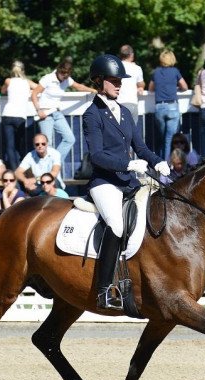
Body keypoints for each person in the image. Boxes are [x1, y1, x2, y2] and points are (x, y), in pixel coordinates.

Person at [84, 53, 168, 309]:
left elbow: (140, 147)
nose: (119, 84)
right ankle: (103, 289)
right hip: (105, 182)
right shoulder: (92, 115)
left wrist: (157, 161)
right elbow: (96, 156)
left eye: (120, 80)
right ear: (99, 81)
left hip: (128, 181)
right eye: (114, 80)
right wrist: (127, 164)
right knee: (117, 226)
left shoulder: (125, 112)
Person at [31, 58, 96, 163]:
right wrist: (38, 110)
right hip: (45, 114)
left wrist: (93, 90)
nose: (64, 76)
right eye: (63, 73)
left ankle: (55, 163)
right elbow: (34, 94)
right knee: (48, 143)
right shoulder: (48, 78)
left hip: (57, 113)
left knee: (70, 139)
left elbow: (79, 86)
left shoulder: (67, 80)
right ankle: (48, 170)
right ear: (58, 70)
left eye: (67, 74)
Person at [148, 50, 188, 159]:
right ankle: (167, 164)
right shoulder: (175, 71)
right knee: (169, 138)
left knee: (162, 138)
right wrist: (176, 87)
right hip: (172, 106)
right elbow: (185, 87)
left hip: (159, 107)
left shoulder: (156, 72)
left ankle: (161, 161)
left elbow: (150, 89)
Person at [0, 60, 38, 171]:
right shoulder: (27, 82)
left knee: (10, 146)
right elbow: (40, 88)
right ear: (23, 70)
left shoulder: (8, 81)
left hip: (8, 114)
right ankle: (22, 168)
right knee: (19, 145)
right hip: (21, 116)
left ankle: (14, 170)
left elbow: (2, 91)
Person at [116, 45, 145, 124]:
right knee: (133, 131)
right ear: (131, 54)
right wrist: (141, 87)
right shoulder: (137, 68)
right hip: (132, 102)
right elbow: (141, 84)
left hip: (119, 102)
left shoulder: (116, 67)